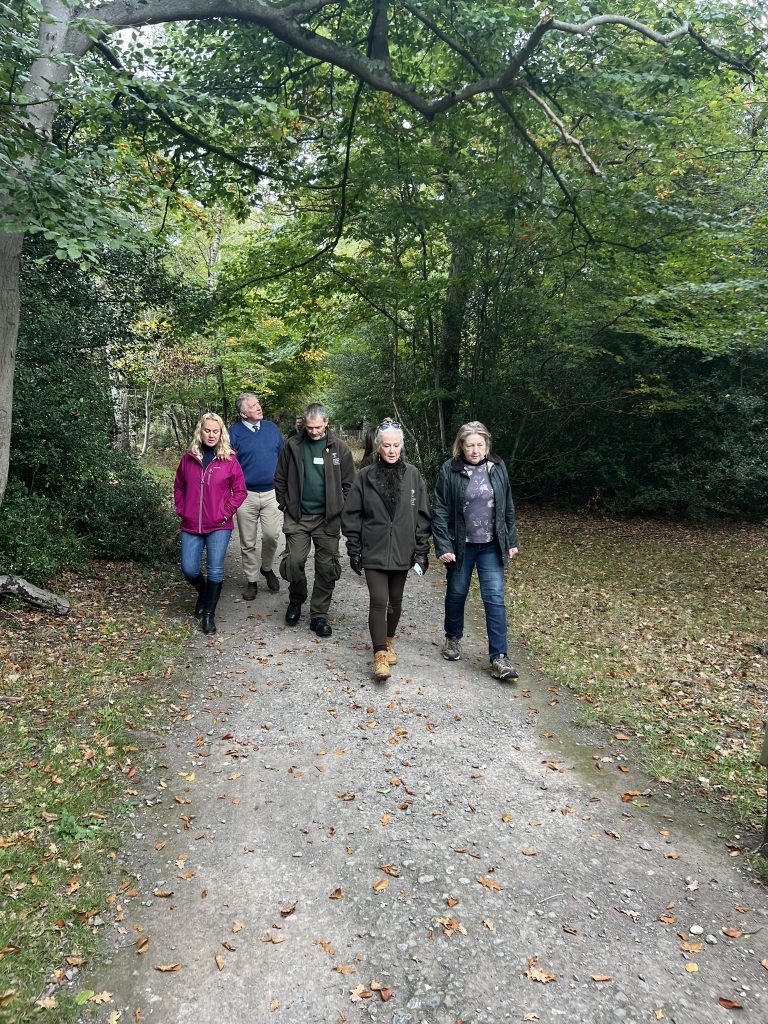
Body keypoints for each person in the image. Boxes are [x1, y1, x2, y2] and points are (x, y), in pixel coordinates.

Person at [342, 423, 430, 681]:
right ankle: (380, 655)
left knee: (395, 601)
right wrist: (354, 549)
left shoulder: (413, 475)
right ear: (378, 447)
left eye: (396, 445)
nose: (392, 450)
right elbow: (352, 514)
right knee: (379, 601)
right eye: (387, 445)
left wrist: (421, 551)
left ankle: (389, 640)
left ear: (402, 447)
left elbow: (422, 516)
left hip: (403, 549)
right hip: (374, 548)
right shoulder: (365, 476)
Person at [432, 421, 520, 681]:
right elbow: (440, 509)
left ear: (486, 444)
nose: (475, 450)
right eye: (470, 445)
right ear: (461, 446)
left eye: (480, 445)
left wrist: (511, 540)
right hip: (461, 545)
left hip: (492, 544)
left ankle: (499, 657)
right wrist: (443, 545)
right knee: (457, 592)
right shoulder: (450, 469)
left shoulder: (497, 467)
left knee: (494, 597)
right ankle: (453, 638)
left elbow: (507, 506)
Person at [274, 403, 356, 636]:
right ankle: (296, 598)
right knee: (293, 562)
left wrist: (339, 506)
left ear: (326, 423)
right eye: (310, 427)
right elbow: (279, 478)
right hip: (298, 516)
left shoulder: (340, 448)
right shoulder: (293, 445)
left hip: (327, 519)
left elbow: (350, 484)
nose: (313, 431)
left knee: (326, 567)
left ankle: (319, 614)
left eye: (318, 427)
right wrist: (285, 503)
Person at [173, 413, 247, 635]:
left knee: (215, 570)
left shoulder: (229, 459)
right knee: (189, 569)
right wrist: (182, 509)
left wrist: (225, 513)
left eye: (216, 431)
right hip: (191, 524)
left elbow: (240, 491)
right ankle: (204, 593)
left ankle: (208, 614)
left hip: (218, 525)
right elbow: (179, 486)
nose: (211, 435)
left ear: (221, 433)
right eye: (207, 430)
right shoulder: (188, 458)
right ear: (200, 431)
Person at [229, 393, 284, 600]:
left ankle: (266, 568)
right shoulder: (233, 433)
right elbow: (228, 464)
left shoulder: (271, 428)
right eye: (252, 406)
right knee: (248, 541)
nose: (258, 407)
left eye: (258, 404)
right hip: (245, 495)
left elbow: (284, 457)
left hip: (271, 493)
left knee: (271, 535)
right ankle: (252, 581)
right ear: (243, 413)